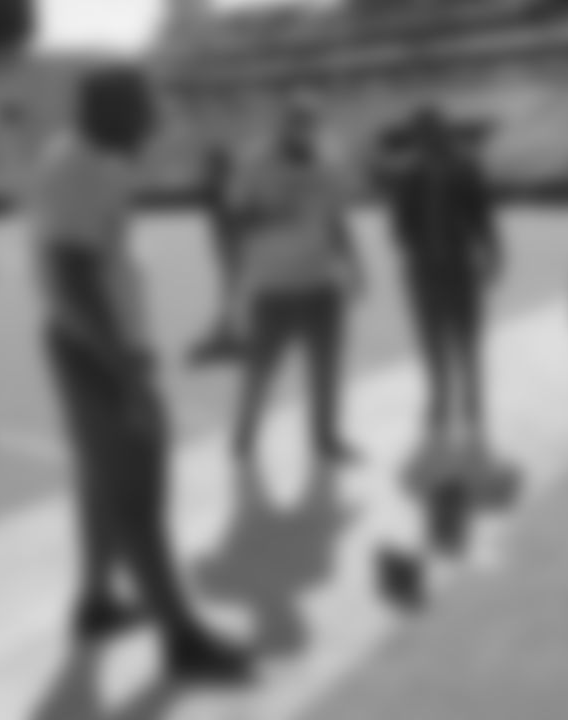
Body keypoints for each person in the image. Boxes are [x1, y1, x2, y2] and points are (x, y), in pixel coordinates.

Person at [32, 65, 252, 683]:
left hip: (88, 346)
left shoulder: (84, 159)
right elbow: (72, 279)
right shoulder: (80, 169)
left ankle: (96, 601)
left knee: (102, 484)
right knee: (137, 496)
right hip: (99, 352)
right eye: (143, 107)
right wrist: (126, 372)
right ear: (107, 110)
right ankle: (181, 637)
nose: (153, 120)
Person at [228, 99, 363, 474]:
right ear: (281, 125)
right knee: (261, 369)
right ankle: (244, 440)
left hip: (321, 282)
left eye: (308, 124)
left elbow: (336, 220)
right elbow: (234, 219)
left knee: (327, 368)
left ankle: (326, 439)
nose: (302, 131)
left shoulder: (327, 163)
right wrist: (272, 214)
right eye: (295, 123)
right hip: (274, 285)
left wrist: (354, 265)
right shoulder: (254, 164)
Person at [373, 106, 502, 453]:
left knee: (466, 346)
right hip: (424, 272)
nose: (430, 139)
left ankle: (473, 414)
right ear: (419, 137)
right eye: (424, 133)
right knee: (433, 347)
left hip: (459, 268)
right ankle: (439, 411)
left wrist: (492, 253)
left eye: (434, 131)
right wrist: (415, 247)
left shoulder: (465, 168)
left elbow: (483, 215)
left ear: (443, 132)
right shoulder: (407, 174)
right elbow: (398, 226)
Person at [188, 143, 247, 366]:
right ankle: (228, 333)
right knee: (231, 286)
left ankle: (230, 335)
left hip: (233, 244)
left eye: (212, 168)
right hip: (228, 243)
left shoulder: (228, 191)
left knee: (233, 286)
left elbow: (236, 220)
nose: (206, 174)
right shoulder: (216, 192)